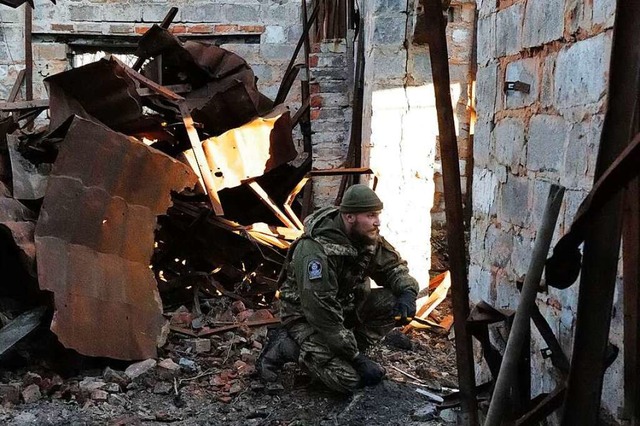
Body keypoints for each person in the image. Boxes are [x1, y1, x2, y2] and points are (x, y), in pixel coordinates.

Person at [258, 184, 419, 393]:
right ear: (350, 217)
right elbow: (322, 313)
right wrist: (357, 359)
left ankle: (345, 350)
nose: (377, 222)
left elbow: (392, 268)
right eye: (370, 215)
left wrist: (407, 293)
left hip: (345, 307)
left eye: (377, 215)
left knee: (391, 302)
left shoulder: (365, 236)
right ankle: (287, 346)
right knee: (349, 381)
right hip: (307, 318)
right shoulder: (315, 252)